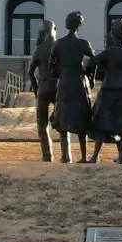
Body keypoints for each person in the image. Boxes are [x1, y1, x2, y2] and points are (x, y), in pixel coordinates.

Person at [84, 19, 122, 164]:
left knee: (101, 124)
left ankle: (95, 156)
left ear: (112, 34)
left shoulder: (107, 53)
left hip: (108, 90)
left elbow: (90, 63)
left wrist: (91, 75)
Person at [48, 11, 96, 163]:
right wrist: (89, 75)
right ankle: (83, 156)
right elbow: (94, 60)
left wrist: (59, 73)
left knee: (63, 115)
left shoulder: (59, 43)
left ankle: (65, 156)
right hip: (79, 80)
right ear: (79, 25)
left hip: (65, 81)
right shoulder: (83, 43)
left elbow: (51, 65)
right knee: (82, 115)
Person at [28, 20, 70, 163]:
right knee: (63, 123)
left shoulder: (39, 49)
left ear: (43, 32)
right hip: (58, 86)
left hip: (44, 86)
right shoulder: (62, 47)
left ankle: (47, 156)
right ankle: (66, 156)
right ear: (55, 29)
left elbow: (30, 72)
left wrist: (35, 89)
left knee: (42, 125)